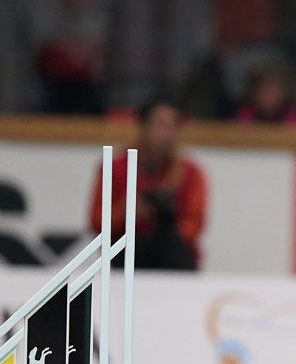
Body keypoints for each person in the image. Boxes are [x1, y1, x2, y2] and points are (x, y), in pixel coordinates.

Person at [88, 98, 209, 270]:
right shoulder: (116, 169)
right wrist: (126, 211)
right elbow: (96, 221)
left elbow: (194, 226)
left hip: (175, 261)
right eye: (160, 125)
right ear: (143, 126)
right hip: (125, 259)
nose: (166, 134)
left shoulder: (189, 173)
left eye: (173, 126)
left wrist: (166, 216)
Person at [236, 60, 296, 126]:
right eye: (266, 91)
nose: (270, 96)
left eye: (275, 91)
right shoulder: (245, 116)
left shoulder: (294, 117)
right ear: (254, 93)